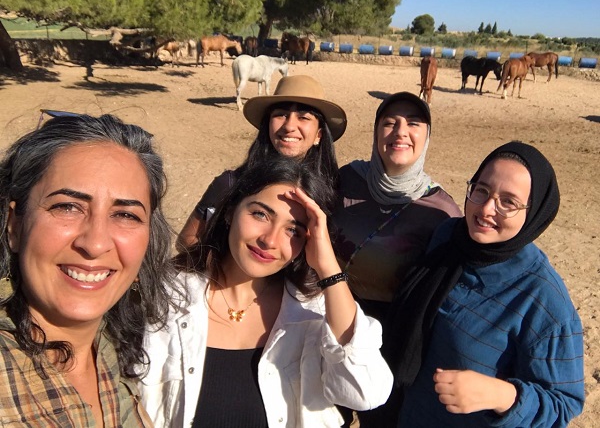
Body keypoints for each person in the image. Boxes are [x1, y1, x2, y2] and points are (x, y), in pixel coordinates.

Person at [140, 156, 393, 428]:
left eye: (293, 230)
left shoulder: (314, 313)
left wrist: (329, 268)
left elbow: (365, 394)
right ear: (229, 211)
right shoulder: (163, 299)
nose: (270, 240)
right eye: (260, 214)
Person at [386, 141, 585, 427]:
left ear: (535, 212)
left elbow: (563, 404)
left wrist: (503, 396)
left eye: (508, 202)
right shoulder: (448, 238)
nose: (487, 209)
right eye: (481, 190)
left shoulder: (544, 301)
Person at [0, 114, 178, 427]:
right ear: (15, 226)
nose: (95, 244)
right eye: (66, 206)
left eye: (125, 214)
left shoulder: (108, 347)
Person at [331, 92, 461, 427]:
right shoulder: (347, 180)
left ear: (426, 136)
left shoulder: (441, 211)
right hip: (331, 323)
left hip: (394, 339)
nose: (400, 131)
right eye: (389, 123)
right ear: (376, 134)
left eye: (413, 124)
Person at [176, 74, 347, 251]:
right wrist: (229, 269)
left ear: (319, 135)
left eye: (303, 117)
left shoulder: (332, 193)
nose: (289, 126)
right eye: (280, 115)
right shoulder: (230, 184)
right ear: (267, 126)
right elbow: (187, 240)